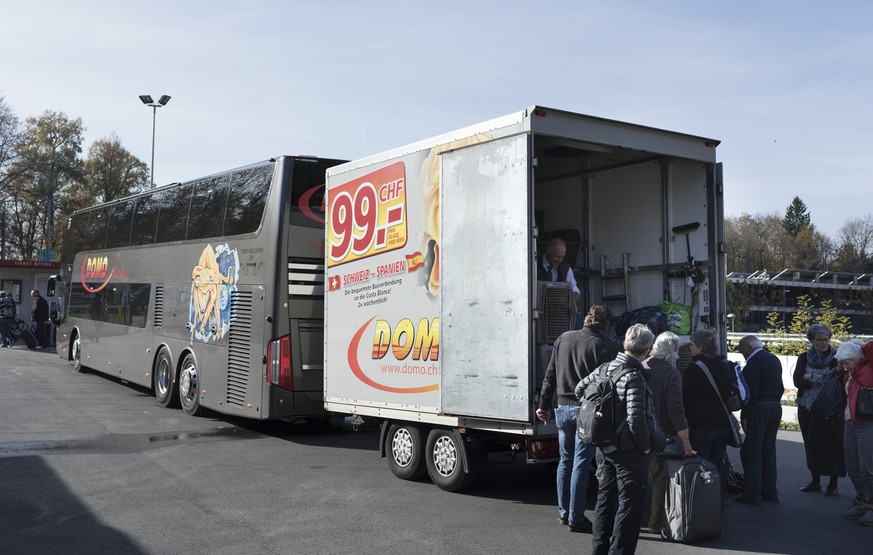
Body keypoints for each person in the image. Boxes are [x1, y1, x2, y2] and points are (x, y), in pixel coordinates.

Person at [575, 323, 657, 555]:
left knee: (604, 500)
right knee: (629, 509)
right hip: (629, 451)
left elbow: (580, 390)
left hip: (604, 446)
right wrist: (647, 447)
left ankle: (598, 550)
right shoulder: (635, 377)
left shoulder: (604, 368)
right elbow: (636, 421)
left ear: (624, 343)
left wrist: (605, 414)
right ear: (646, 351)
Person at [537, 305, 619, 533]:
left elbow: (550, 376)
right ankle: (576, 517)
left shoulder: (564, 338)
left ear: (585, 319)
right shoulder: (604, 346)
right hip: (586, 411)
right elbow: (609, 384)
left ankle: (564, 513)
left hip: (562, 407)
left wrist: (543, 405)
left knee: (565, 461)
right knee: (581, 464)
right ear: (605, 324)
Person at [641, 331, 694, 533]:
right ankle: (655, 522)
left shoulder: (642, 366)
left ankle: (635, 518)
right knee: (658, 479)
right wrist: (686, 440)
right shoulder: (671, 374)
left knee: (637, 478)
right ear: (673, 351)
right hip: (659, 435)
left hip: (637, 433)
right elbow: (675, 410)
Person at [682, 328, 732, 505]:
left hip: (702, 424)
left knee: (702, 464)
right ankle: (719, 498)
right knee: (718, 463)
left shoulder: (694, 369)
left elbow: (685, 397)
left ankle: (704, 503)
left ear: (700, 347)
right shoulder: (724, 366)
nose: (690, 346)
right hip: (722, 425)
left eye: (692, 343)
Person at [792, 323, 844, 495]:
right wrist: (820, 378)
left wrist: (811, 377)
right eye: (819, 339)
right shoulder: (803, 357)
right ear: (812, 340)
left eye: (826, 339)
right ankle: (815, 481)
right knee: (810, 443)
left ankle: (833, 483)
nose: (823, 343)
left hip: (829, 409)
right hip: (806, 407)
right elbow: (798, 382)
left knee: (831, 444)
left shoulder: (837, 358)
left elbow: (834, 382)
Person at [735, 335, 783, 505]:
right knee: (768, 450)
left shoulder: (752, 365)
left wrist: (745, 415)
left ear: (749, 346)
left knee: (751, 451)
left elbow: (751, 394)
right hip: (775, 406)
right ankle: (770, 491)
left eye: (741, 348)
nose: (740, 351)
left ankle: (752, 492)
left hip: (759, 407)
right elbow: (781, 387)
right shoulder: (773, 359)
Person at [834, 340, 873, 526]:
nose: (844, 365)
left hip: (868, 422)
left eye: (847, 361)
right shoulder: (847, 373)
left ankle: (871, 506)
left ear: (858, 359)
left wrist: (859, 345)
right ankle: (862, 501)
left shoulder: (868, 367)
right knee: (852, 467)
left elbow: (871, 347)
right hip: (851, 421)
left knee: (868, 468)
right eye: (842, 362)